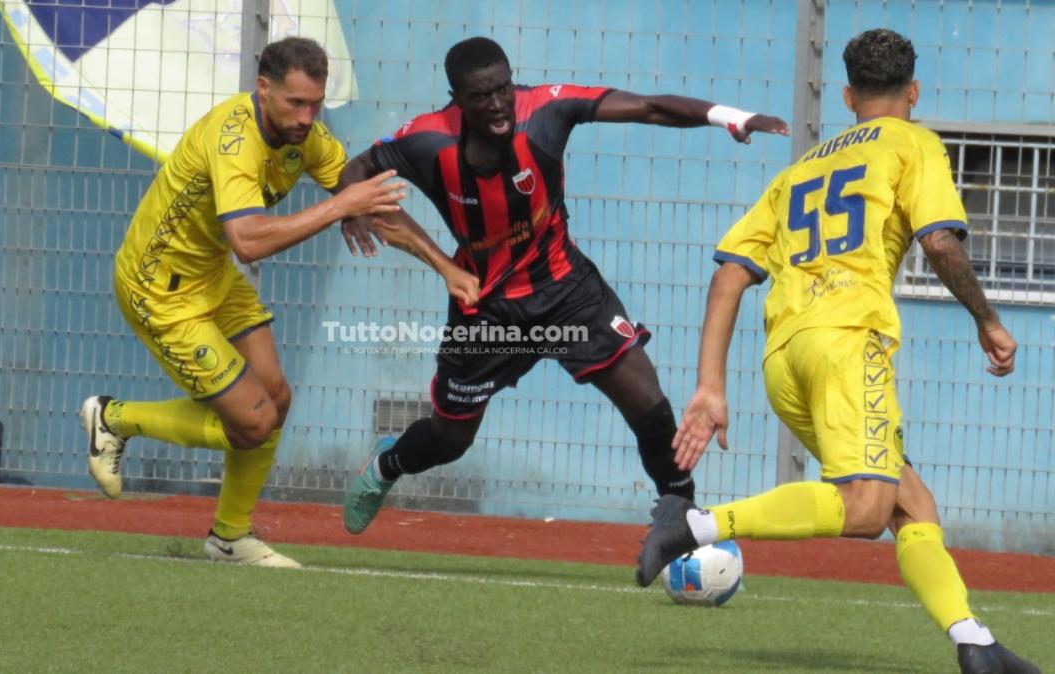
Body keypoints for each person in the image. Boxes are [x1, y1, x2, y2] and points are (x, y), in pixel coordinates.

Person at [636, 29, 1037, 674]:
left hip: (784, 356)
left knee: (910, 503)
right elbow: (939, 242)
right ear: (915, 91)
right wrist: (987, 320)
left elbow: (729, 274)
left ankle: (975, 642)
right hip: (850, 343)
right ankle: (696, 526)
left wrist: (711, 386)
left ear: (847, 95)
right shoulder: (913, 142)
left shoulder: (800, 169)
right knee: (866, 507)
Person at [335, 36, 787, 536]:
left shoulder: (547, 110)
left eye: (503, 89)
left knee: (649, 405)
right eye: (481, 96)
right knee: (450, 440)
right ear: (456, 100)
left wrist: (729, 116)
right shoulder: (427, 140)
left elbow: (650, 107)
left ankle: (682, 523)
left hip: (568, 295)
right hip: (484, 309)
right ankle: (385, 467)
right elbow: (355, 172)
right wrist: (353, 207)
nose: (498, 104)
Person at [79, 37, 469, 568]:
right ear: (263, 90)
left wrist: (444, 266)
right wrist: (339, 208)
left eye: (316, 104)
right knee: (255, 422)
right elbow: (250, 240)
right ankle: (115, 417)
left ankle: (229, 537)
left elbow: (366, 199)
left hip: (212, 275)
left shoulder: (303, 137)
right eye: (296, 103)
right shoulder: (234, 140)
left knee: (276, 400)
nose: (308, 117)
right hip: (159, 289)